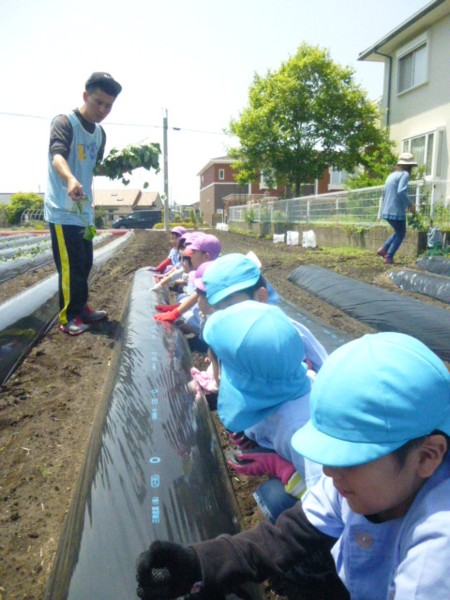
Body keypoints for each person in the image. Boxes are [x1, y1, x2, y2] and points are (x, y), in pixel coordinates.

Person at [136, 332, 450, 600]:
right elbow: (282, 537)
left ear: (427, 456)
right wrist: (198, 564)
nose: (329, 472)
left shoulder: (436, 554)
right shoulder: (365, 484)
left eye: (348, 458)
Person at [201, 301, 321, 511]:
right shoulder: (291, 380)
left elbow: (332, 503)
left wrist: (279, 467)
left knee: (273, 498)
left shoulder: (298, 431)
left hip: (332, 501)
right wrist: (251, 435)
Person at [44, 72, 122, 336]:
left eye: (108, 106)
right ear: (86, 96)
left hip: (85, 213)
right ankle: (68, 317)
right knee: (70, 267)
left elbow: (93, 166)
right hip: (62, 211)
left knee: (86, 262)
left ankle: (81, 308)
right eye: (98, 102)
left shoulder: (100, 134)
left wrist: (121, 167)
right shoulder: (65, 123)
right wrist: (69, 179)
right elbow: (57, 156)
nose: (103, 110)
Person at [202, 253, 327, 373]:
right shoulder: (222, 332)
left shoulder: (288, 335)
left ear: (260, 298)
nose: (226, 316)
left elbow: (322, 369)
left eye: (231, 307)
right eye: (218, 309)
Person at [377, 152, 418, 265]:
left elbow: (386, 193)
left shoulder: (391, 175)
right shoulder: (405, 174)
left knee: (398, 231)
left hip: (386, 209)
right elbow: (401, 191)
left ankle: (383, 249)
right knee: (401, 233)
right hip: (396, 210)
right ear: (409, 166)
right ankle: (389, 257)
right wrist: (410, 205)